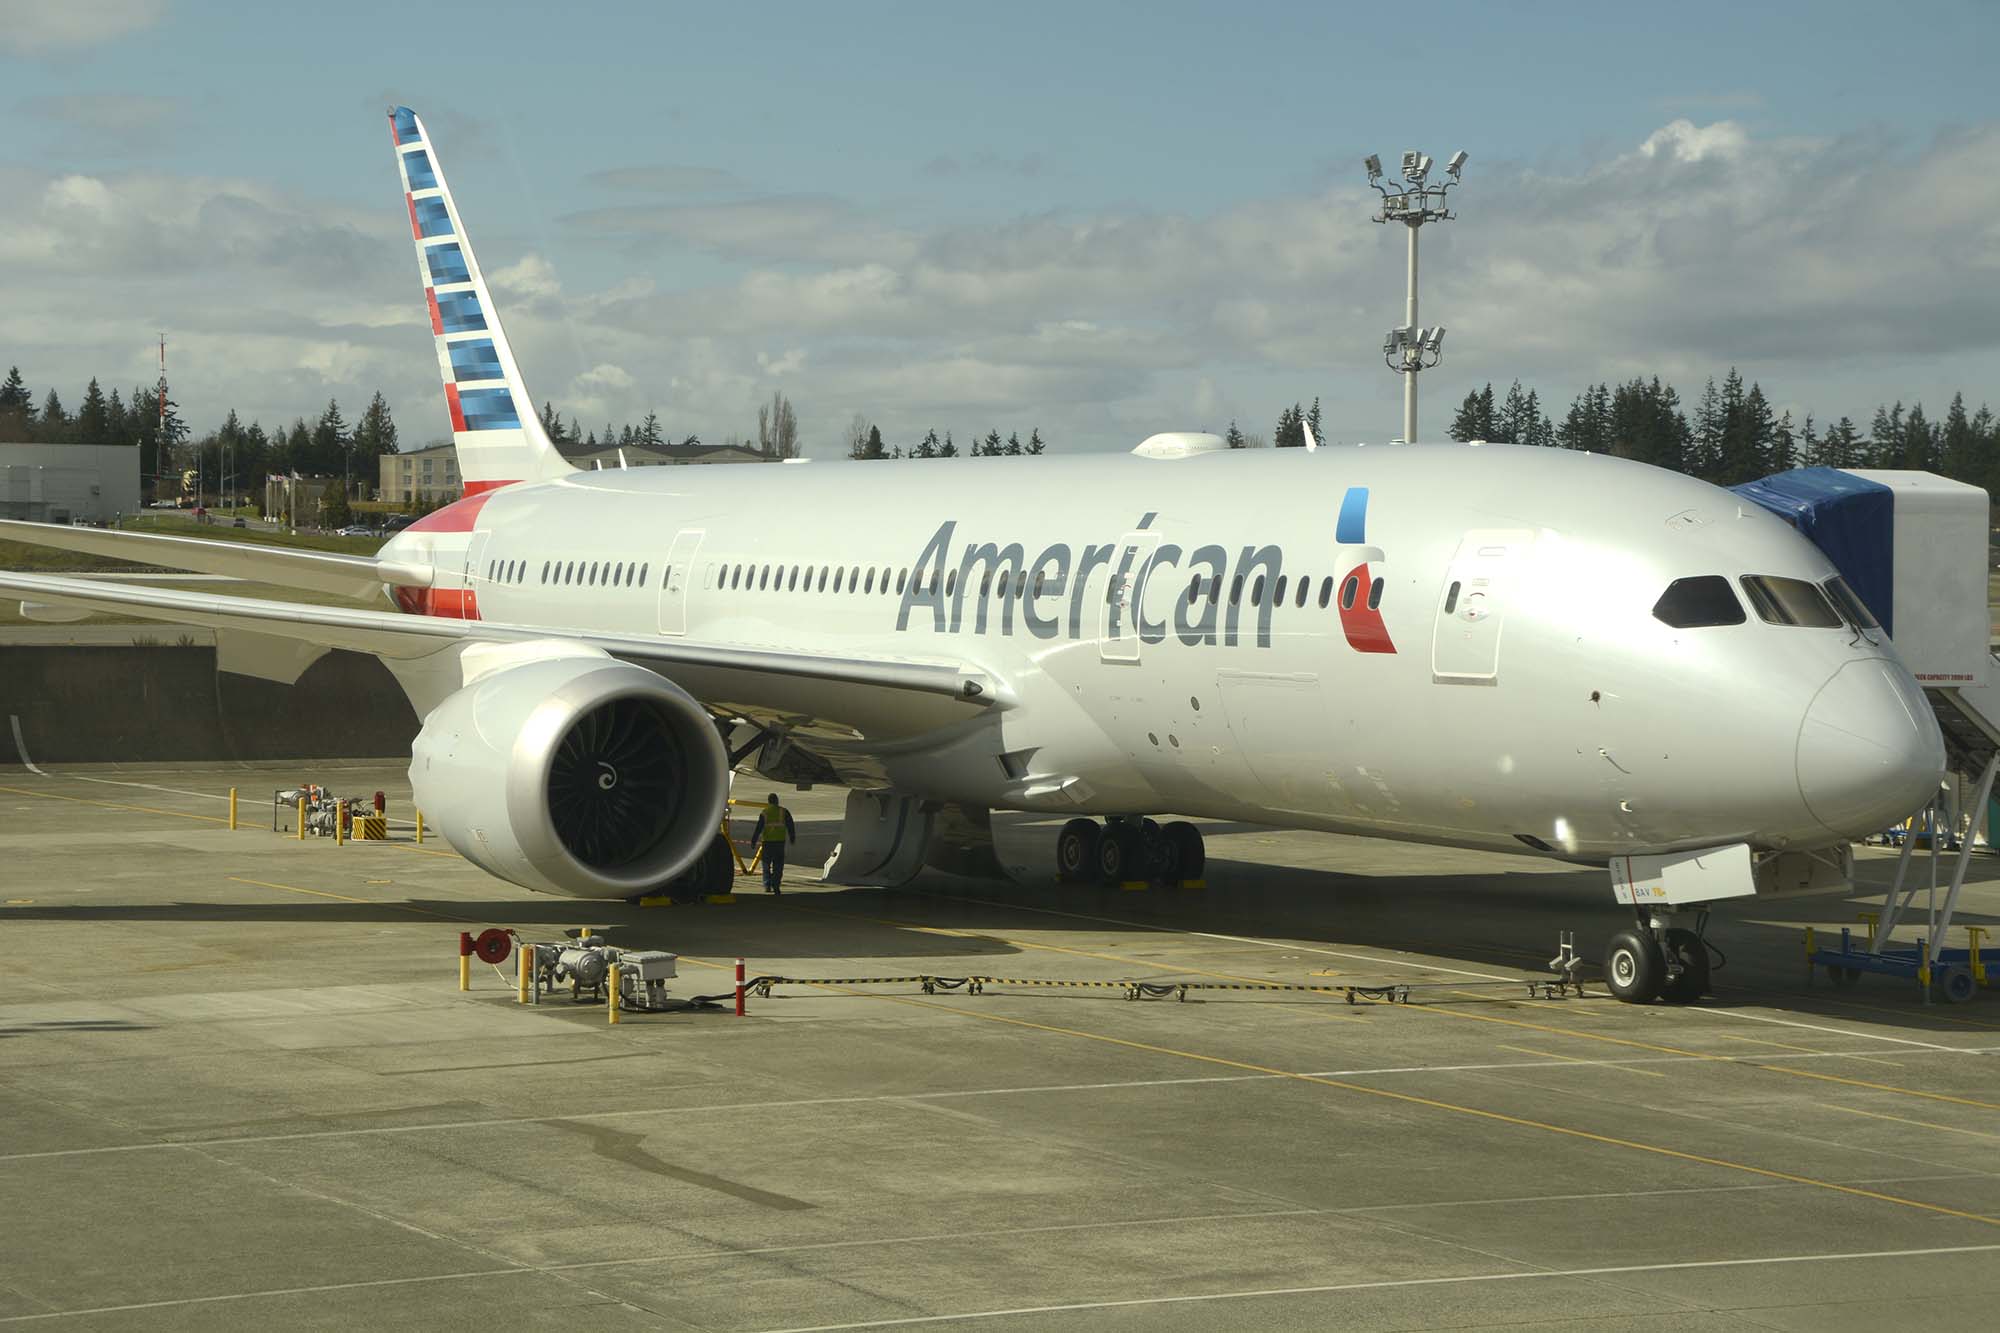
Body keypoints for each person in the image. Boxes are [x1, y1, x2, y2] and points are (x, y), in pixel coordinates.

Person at [750, 793, 797, 894]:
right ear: (777, 801)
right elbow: (790, 825)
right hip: (779, 842)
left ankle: (767, 885)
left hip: (767, 842)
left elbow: (758, 828)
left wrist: (753, 841)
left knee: (766, 865)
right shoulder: (783, 811)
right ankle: (776, 886)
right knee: (778, 866)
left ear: (768, 801)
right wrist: (792, 837)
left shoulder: (765, 812)